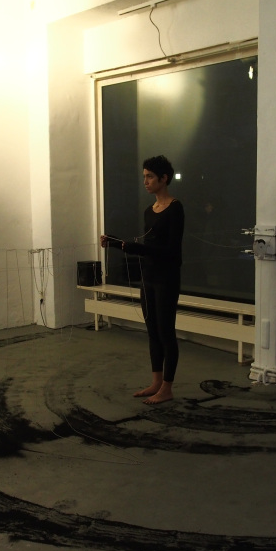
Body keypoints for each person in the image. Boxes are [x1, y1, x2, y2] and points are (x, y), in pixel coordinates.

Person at [100, 155, 184, 404]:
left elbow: (171, 251)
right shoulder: (150, 211)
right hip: (149, 278)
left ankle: (167, 388)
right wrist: (116, 243)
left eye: (150, 177)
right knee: (152, 331)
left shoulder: (175, 208)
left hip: (167, 278)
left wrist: (134, 248)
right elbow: (148, 247)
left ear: (163, 178)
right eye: (144, 176)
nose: (145, 181)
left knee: (166, 332)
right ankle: (156, 382)